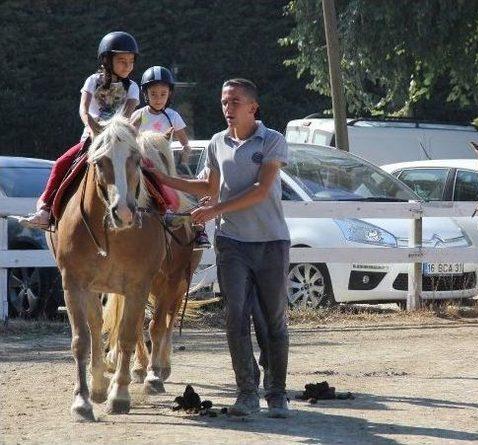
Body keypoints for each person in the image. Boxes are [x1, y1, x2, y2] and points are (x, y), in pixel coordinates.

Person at [147, 78, 290, 417]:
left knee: (273, 321)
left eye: (235, 102)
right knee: (235, 316)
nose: (228, 108)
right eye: (225, 102)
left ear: (252, 107)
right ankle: (246, 392)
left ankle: (277, 391)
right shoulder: (215, 142)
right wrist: (162, 177)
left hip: (271, 242)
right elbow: (207, 185)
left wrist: (214, 210)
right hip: (231, 244)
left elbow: (260, 189)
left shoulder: (272, 141)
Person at [20, 31, 140, 228]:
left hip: (118, 140)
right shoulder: (93, 81)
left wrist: (113, 131)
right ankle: (45, 210)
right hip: (92, 139)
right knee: (61, 163)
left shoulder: (133, 87)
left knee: (147, 169)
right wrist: (91, 127)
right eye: (121, 61)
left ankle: (163, 211)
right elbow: (83, 109)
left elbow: (127, 112)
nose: (128, 66)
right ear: (107, 60)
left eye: (131, 61)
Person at [132, 65, 210, 249]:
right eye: (153, 94)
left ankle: (199, 229)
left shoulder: (172, 116)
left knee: (187, 193)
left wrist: (185, 153)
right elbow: (130, 138)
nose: (158, 99)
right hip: (142, 164)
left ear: (169, 95)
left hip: (164, 164)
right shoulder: (139, 115)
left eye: (162, 94)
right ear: (146, 95)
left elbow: (184, 142)